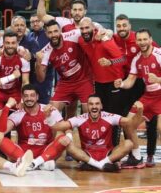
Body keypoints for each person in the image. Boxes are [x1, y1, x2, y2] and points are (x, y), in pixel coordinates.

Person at [46, 94, 135, 172]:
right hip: (87, 155)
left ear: (101, 106)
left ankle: (98, 164)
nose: (94, 106)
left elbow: (128, 122)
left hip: (108, 153)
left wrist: (138, 112)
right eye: (91, 104)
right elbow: (58, 127)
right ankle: (101, 165)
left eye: (97, 104)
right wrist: (48, 116)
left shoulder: (109, 116)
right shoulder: (80, 118)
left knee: (129, 143)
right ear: (87, 107)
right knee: (66, 144)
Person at [113, 14, 158, 166]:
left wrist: (158, 79)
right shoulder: (137, 59)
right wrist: (121, 84)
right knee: (128, 123)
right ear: (136, 41)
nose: (142, 42)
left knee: (157, 127)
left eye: (145, 39)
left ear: (151, 40)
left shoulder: (159, 55)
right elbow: (130, 80)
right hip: (149, 96)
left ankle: (150, 155)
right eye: (139, 40)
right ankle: (137, 157)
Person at [0, 85, 70, 171]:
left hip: (45, 151)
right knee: (0, 140)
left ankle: (34, 163)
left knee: (63, 138)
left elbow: (65, 127)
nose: (29, 98)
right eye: (26, 96)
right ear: (22, 98)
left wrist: (68, 135)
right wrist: (7, 107)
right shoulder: (18, 114)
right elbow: (1, 132)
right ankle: (36, 163)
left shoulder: (48, 109)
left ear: (37, 97)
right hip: (24, 153)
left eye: (32, 95)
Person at [78, 17, 126, 147]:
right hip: (98, 83)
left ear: (93, 29)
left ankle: (114, 147)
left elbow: (123, 59)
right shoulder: (81, 41)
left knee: (113, 116)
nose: (84, 31)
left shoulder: (105, 40)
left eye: (87, 28)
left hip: (114, 83)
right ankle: (102, 145)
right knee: (100, 114)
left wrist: (110, 62)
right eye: (82, 28)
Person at [35, 20, 94, 115]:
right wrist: (38, 62)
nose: (53, 35)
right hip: (66, 83)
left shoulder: (72, 35)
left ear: (60, 31)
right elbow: (41, 79)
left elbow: (91, 26)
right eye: (50, 32)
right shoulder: (45, 52)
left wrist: (106, 32)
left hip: (84, 80)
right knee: (50, 113)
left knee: (89, 112)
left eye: (55, 31)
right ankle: (66, 129)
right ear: (46, 34)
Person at [0, 32, 30, 141]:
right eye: (7, 43)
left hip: (14, 92)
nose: (10, 45)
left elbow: (25, 81)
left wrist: (22, 99)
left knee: (20, 118)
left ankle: (21, 146)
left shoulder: (23, 57)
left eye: (13, 43)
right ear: (3, 43)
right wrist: (12, 76)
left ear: (17, 44)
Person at [27, 14, 54, 104]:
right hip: (31, 75)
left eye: (37, 21)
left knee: (43, 102)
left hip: (46, 73)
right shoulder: (29, 36)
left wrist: (33, 56)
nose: (35, 24)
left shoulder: (49, 35)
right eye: (32, 22)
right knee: (32, 102)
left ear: (42, 22)